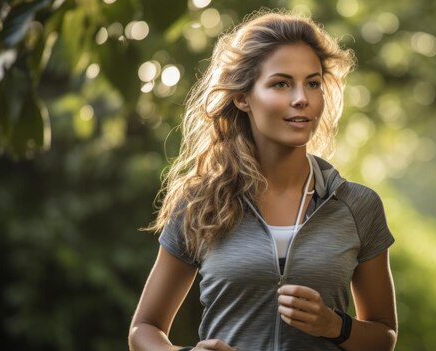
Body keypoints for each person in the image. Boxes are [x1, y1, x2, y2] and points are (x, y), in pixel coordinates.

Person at [128, 9, 397, 351]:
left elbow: (384, 335)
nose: (302, 98)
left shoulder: (359, 206)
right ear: (243, 97)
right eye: (281, 83)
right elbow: (144, 328)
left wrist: (334, 325)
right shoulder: (201, 202)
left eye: (313, 83)